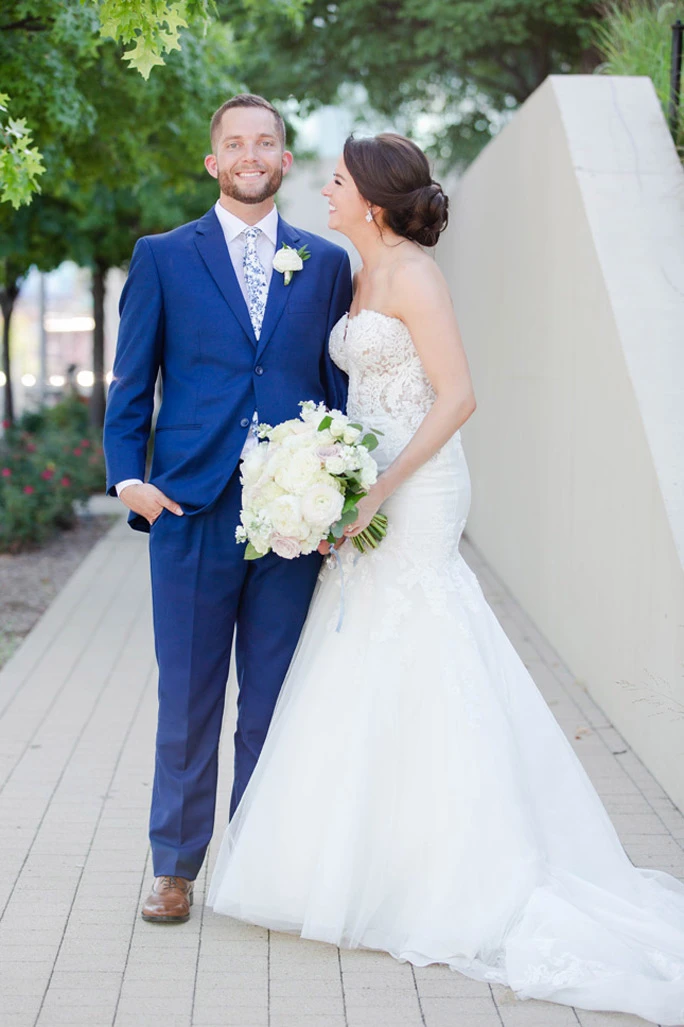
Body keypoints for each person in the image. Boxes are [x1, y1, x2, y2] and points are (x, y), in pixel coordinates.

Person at [208, 132, 684, 1025]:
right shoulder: (355, 270)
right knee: (359, 648)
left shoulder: (417, 276)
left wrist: (378, 484)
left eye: (338, 181)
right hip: (364, 482)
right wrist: (326, 470)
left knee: (420, 639)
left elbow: (457, 394)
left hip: (419, 489)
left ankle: (450, 868)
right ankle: (368, 859)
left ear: (375, 202)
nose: (325, 188)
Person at [103, 94, 351, 924]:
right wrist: (126, 480)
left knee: (275, 698)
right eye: (235, 143)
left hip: (294, 515)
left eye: (267, 142)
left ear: (285, 160)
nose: (251, 154)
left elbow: (336, 392)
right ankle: (173, 867)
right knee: (189, 696)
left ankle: (257, 859)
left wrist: (338, 496)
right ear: (212, 161)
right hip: (190, 507)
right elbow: (131, 382)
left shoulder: (325, 264)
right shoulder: (163, 257)